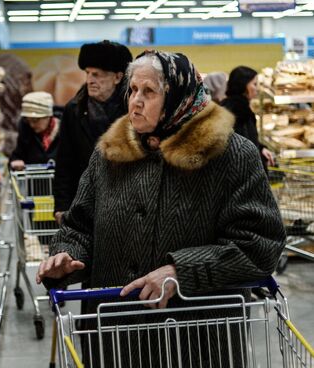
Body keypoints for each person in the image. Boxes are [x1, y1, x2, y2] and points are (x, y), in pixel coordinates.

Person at [37, 50, 286, 367]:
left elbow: (260, 246)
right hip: (115, 336)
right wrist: (67, 255)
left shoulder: (231, 155)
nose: (135, 102)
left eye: (149, 92)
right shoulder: (109, 154)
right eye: (132, 90)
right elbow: (79, 226)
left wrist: (181, 270)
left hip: (197, 340)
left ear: (178, 97)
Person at [53, 40, 132, 224]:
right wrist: (62, 206)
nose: (90, 80)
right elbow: (65, 160)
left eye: (97, 75)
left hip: (126, 201)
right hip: (84, 202)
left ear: (118, 77)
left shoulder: (132, 110)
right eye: (88, 73)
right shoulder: (74, 110)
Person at [221, 66, 275, 167]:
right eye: (254, 84)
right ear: (243, 85)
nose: (257, 88)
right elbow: (243, 148)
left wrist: (261, 148)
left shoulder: (229, 105)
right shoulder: (239, 110)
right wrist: (261, 160)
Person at [10, 91, 60, 170]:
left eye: (35, 120)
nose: (31, 125)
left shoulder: (66, 129)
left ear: (48, 116)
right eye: (28, 120)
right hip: (34, 181)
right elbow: (18, 154)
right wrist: (16, 161)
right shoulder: (26, 131)